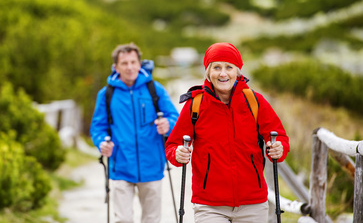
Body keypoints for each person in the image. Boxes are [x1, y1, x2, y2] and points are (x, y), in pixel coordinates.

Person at [165, 42, 290, 223]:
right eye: (216, 67)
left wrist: (279, 148)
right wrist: (177, 153)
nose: (223, 73)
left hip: (253, 203)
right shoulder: (195, 105)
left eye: (229, 67)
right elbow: (172, 145)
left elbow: (279, 136)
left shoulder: (254, 101)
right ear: (208, 72)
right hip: (209, 205)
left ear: (237, 71)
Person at [91, 42, 179, 223]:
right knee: (123, 220)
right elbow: (97, 127)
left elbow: (174, 117)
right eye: (124, 63)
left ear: (140, 63)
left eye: (133, 62)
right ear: (116, 67)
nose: (130, 67)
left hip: (152, 166)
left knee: (152, 219)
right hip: (120, 166)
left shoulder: (155, 89)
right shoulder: (106, 94)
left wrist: (167, 125)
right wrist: (102, 142)